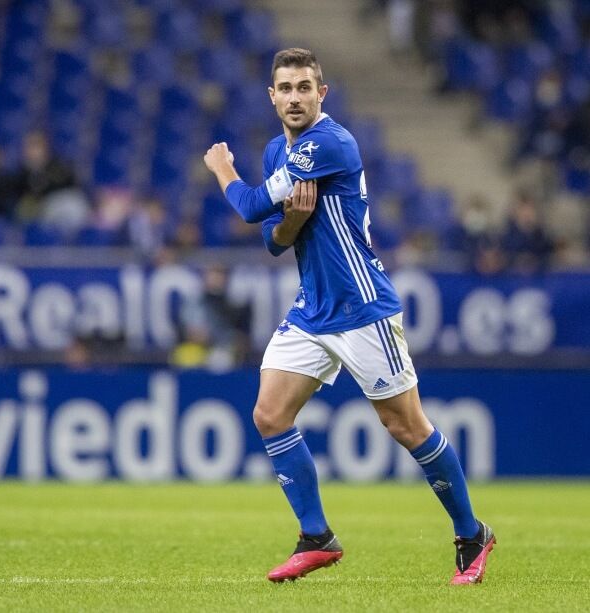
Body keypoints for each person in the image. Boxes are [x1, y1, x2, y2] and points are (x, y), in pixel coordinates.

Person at [203, 48, 495, 584]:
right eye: (285, 88)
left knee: (405, 425)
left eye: (304, 88)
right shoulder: (277, 151)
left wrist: (223, 170)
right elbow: (273, 239)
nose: (295, 98)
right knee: (270, 414)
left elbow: (249, 207)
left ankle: (471, 533)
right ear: (272, 97)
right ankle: (316, 536)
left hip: (361, 306)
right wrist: (293, 221)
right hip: (313, 307)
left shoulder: (330, 142)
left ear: (322, 93)